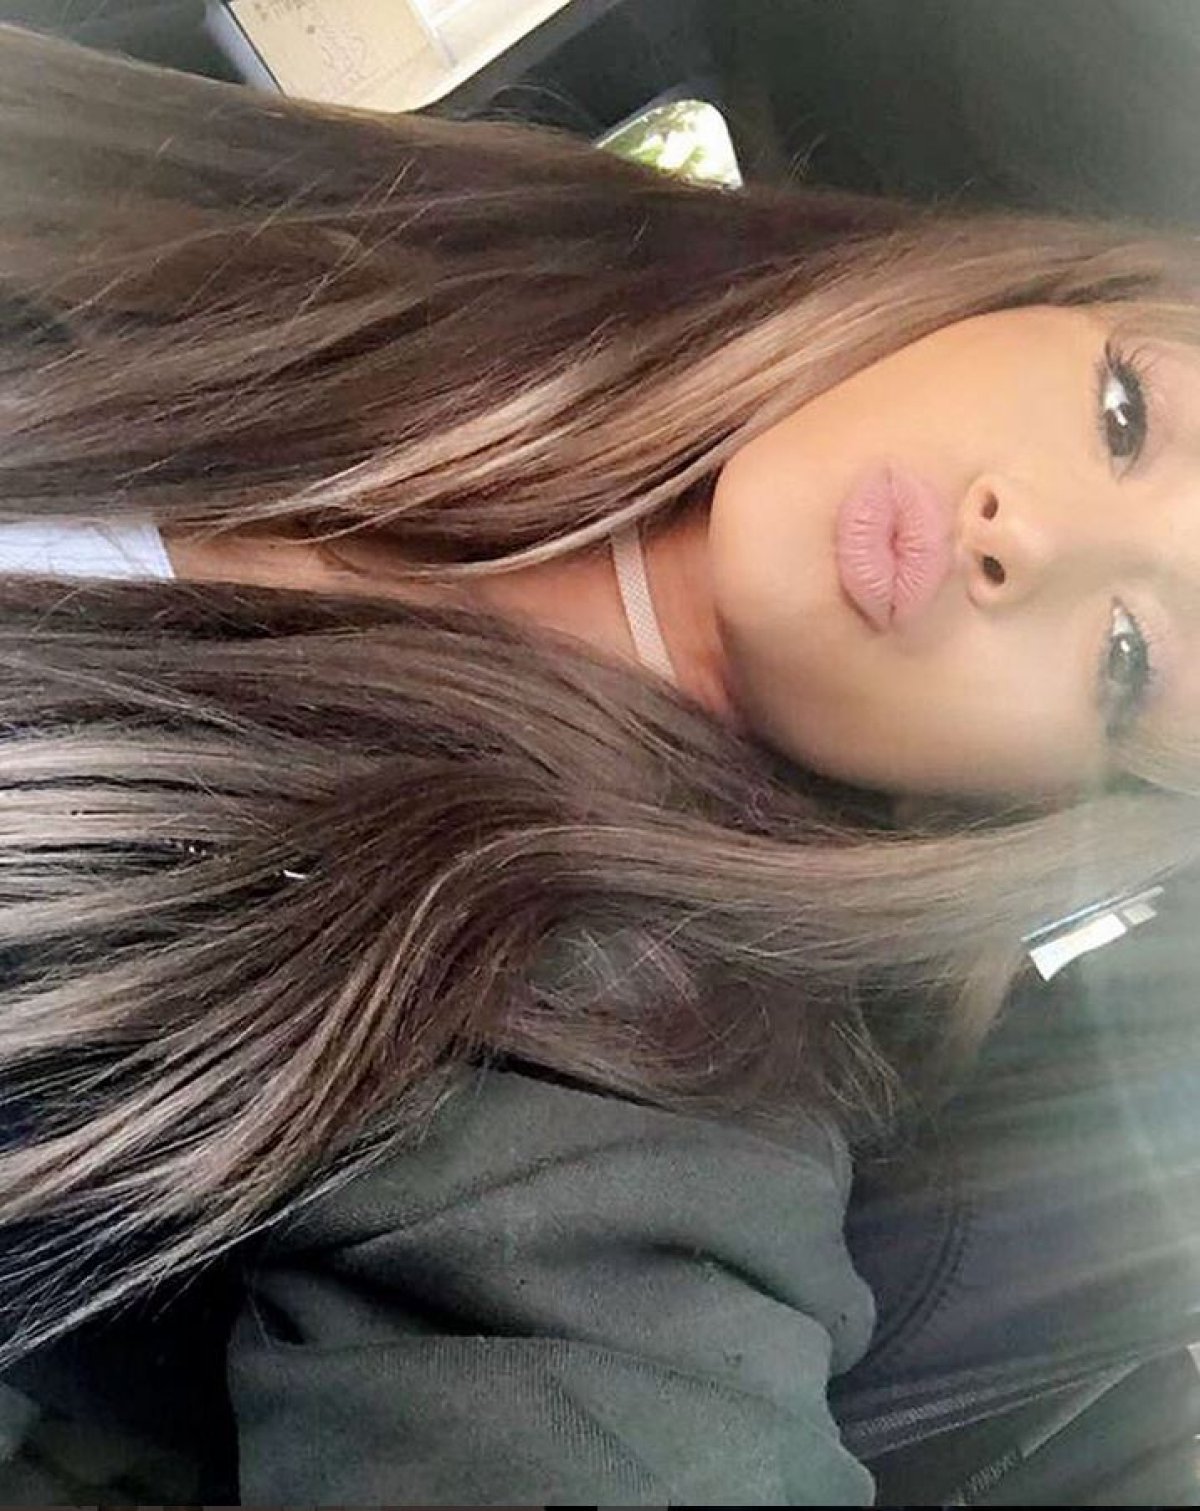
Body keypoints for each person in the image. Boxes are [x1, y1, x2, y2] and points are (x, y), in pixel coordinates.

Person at [0, 17, 1197, 1504]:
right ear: (1030, 299)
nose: (1030, 536)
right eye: (1126, 415)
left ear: (1038, 807)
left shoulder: (647, 1070)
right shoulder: (436, 227)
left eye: (1129, 657)